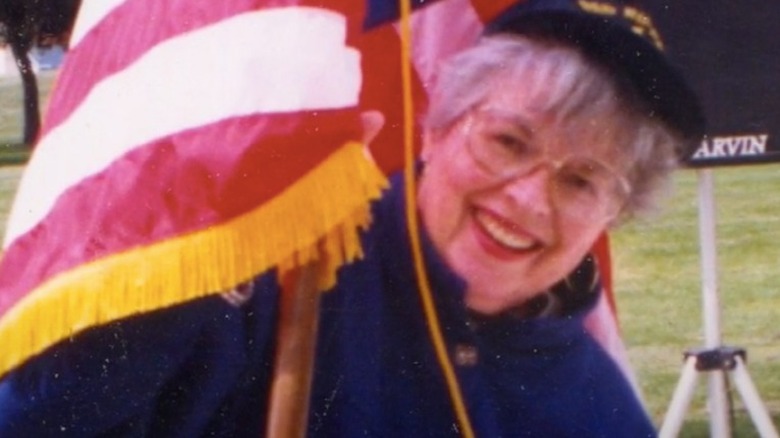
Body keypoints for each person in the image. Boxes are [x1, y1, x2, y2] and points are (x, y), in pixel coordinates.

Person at [0, 0, 703, 436]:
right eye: (508, 142)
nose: (526, 199)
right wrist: (167, 275)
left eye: (582, 181)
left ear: (615, 211)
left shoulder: (596, 406)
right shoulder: (276, 268)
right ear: (437, 127)